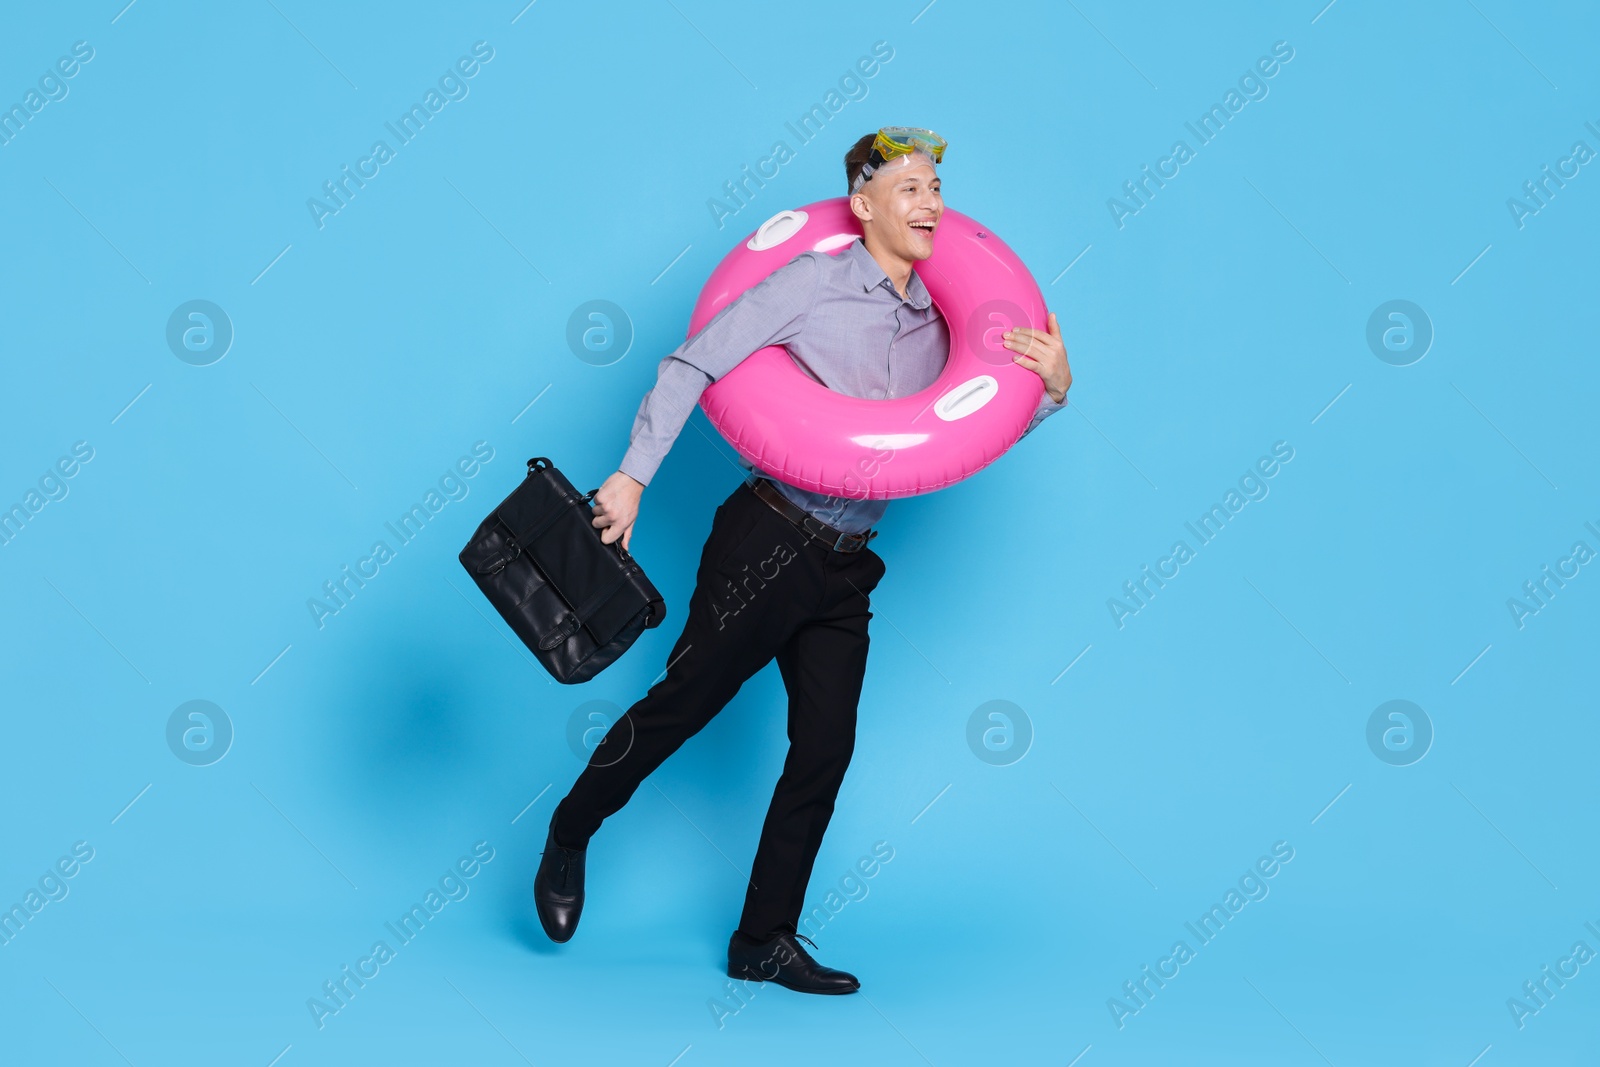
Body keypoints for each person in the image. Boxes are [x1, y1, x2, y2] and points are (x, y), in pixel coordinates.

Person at [533, 127, 1073, 994]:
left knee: (824, 747)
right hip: (770, 537)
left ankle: (762, 939)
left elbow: (958, 435)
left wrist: (1046, 392)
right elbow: (692, 361)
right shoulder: (813, 284)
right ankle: (571, 825)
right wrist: (632, 477)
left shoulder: (941, 326)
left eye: (937, 187)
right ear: (863, 206)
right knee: (684, 704)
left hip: (848, 564)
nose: (932, 202)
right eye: (911, 188)